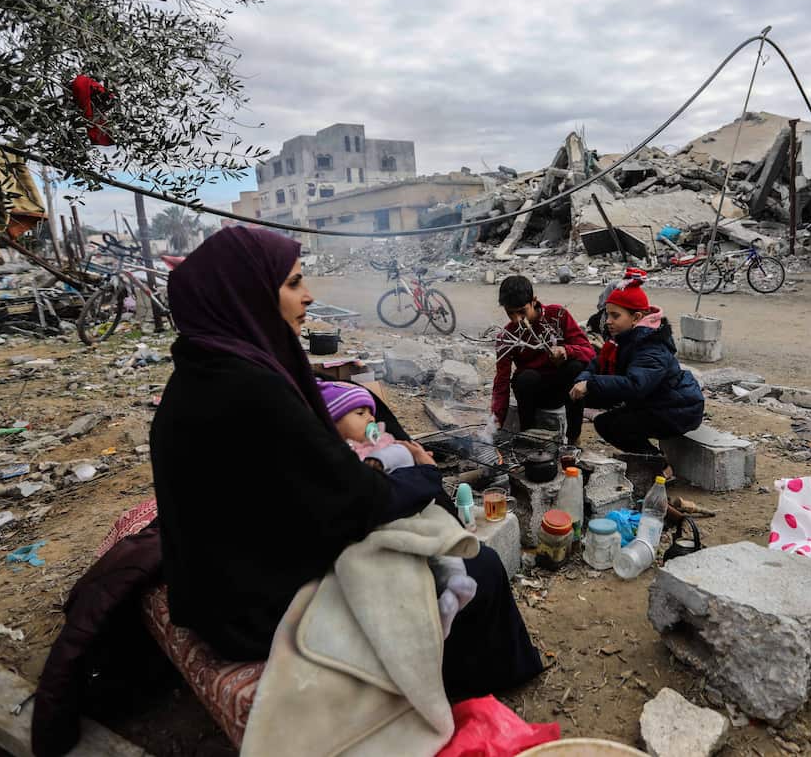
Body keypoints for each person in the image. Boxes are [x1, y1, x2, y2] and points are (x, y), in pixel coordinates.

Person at [150, 227, 542, 700]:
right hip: (253, 610)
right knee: (481, 570)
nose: (309, 296)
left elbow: (301, 484)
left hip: (227, 585)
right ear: (248, 293)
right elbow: (353, 506)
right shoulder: (250, 390)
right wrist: (420, 472)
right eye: (294, 284)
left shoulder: (206, 369)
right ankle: (468, 693)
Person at [569, 275, 703, 476]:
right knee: (582, 391)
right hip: (653, 401)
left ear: (637, 318)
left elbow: (636, 385)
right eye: (608, 315)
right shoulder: (623, 339)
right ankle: (571, 440)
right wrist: (583, 380)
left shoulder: (651, 346)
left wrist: (591, 384)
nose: (609, 322)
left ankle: (659, 465)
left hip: (677, 408)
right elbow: (596, 365)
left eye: (616, 316)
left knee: (611, 425)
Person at [493, 275, 595, 441]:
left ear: (534, 301)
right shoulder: (507, 336)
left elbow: (589, 353)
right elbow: (501, 381)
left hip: (563, 390)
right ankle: (529, 438)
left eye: (522, 311)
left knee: (575, 367)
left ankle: (573, 437)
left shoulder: (557, 316)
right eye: (510, 313)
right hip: (533, 392)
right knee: (525, 377)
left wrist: (566, 350)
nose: (518, 319)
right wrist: (497, 418)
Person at [317, 380, 415, 473]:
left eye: (371, 413)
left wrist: (380, 459)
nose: (372, 419)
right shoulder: (330, 453)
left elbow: (404, 453)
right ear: (332, 423)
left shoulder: (380, 442)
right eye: (360, 413)